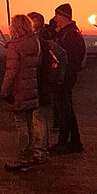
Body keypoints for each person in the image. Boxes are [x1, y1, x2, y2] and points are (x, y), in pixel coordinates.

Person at [0, 14, 42, 171]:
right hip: (32, 88)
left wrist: (4, 91)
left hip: (19, 91)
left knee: (21, 125)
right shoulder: (35, 42)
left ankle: (23, 157)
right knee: (29, 123)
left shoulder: (15, 46)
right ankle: (30, 154)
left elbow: (11, 71)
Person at [49, 3, 87, 154]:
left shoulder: (70, 35)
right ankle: (75, 141)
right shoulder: (69, 32)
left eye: (56, 16)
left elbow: (69, 58)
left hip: (64, 76)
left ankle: (63, 142)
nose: (55, 19)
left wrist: (62, 72)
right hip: (65, 75)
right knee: (67, 109)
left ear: (61, 16)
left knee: (64, 109)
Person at [26, 11, 58, 163]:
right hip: (43, 84)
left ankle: (40, 151)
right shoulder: (45, 40)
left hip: (39, 83)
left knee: (38, 118)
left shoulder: (39, 42)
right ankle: (42, 149)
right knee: (41, 118)